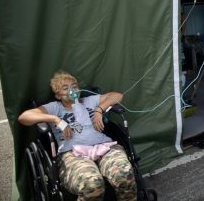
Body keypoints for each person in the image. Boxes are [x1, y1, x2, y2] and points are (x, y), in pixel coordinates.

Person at [19, 70, 137, 200]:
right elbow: (24, 117)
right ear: (58, 95)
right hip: (73, 153)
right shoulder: (55, 107)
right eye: (65, 88)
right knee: (91, 184)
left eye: (74, 86)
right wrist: (56, 120)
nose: (72, 90)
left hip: (103, 146)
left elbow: (117, 95)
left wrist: (99, 109)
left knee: (124, 174)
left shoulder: (89, 101)